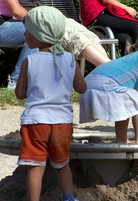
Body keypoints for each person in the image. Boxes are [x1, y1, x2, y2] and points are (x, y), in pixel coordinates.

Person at [15, 6, 86, 201]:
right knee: (62, 164)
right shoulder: (70, 59)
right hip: (62, 122)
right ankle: (69, 197)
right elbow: (82, 88)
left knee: (35, 167)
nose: (25, 34)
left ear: (38, 35)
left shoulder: (29, 60)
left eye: (28, 31)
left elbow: (20, 94)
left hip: (35, 122)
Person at [3, 0, 110, 89]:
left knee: (81, 32)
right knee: (40, 31)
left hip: (34, 20)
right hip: (7, 25)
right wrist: (43, 21)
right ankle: (16, 83)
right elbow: (16, 11)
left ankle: (110, 72)